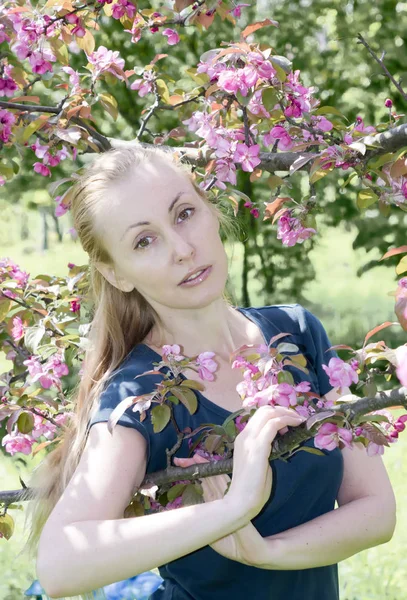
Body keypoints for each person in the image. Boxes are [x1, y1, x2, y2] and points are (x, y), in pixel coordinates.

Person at [23, 145, 396, 600]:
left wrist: (264, 552)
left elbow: (376, 511)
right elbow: (61, 563)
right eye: (144, 241)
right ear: (116, 273)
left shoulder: (296, 334)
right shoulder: (141, 393)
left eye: (183, 214)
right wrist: (234, 508)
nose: (182, 249)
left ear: (210, 209)